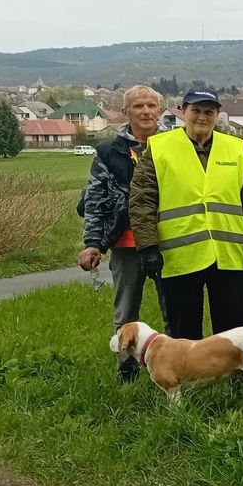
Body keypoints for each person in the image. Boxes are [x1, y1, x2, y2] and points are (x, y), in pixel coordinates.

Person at [129, 86, 243, 340]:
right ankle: (188, 377)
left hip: (229, 255)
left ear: (217, 115)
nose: (202, 117)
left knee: (236, 329)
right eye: (196, 111)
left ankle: (236, 376)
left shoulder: (235, 148)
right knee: (184, 329)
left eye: (209, 111)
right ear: (183, 111)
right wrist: (147, 247)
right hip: (180, 255)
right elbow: (142, 201)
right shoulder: (159, 148)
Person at [77, 84, 167, 382]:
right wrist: (93, 243)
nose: (145, 111)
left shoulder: (175, 144)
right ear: (126, 112)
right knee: (126, 309)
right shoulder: (109, 151)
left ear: (160, 110)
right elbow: (95, 199)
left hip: (168, 241)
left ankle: (178, 365)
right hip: (126, 243)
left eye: (151, 106)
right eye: (138, 106)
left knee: (175, 307)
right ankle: (127, 368)